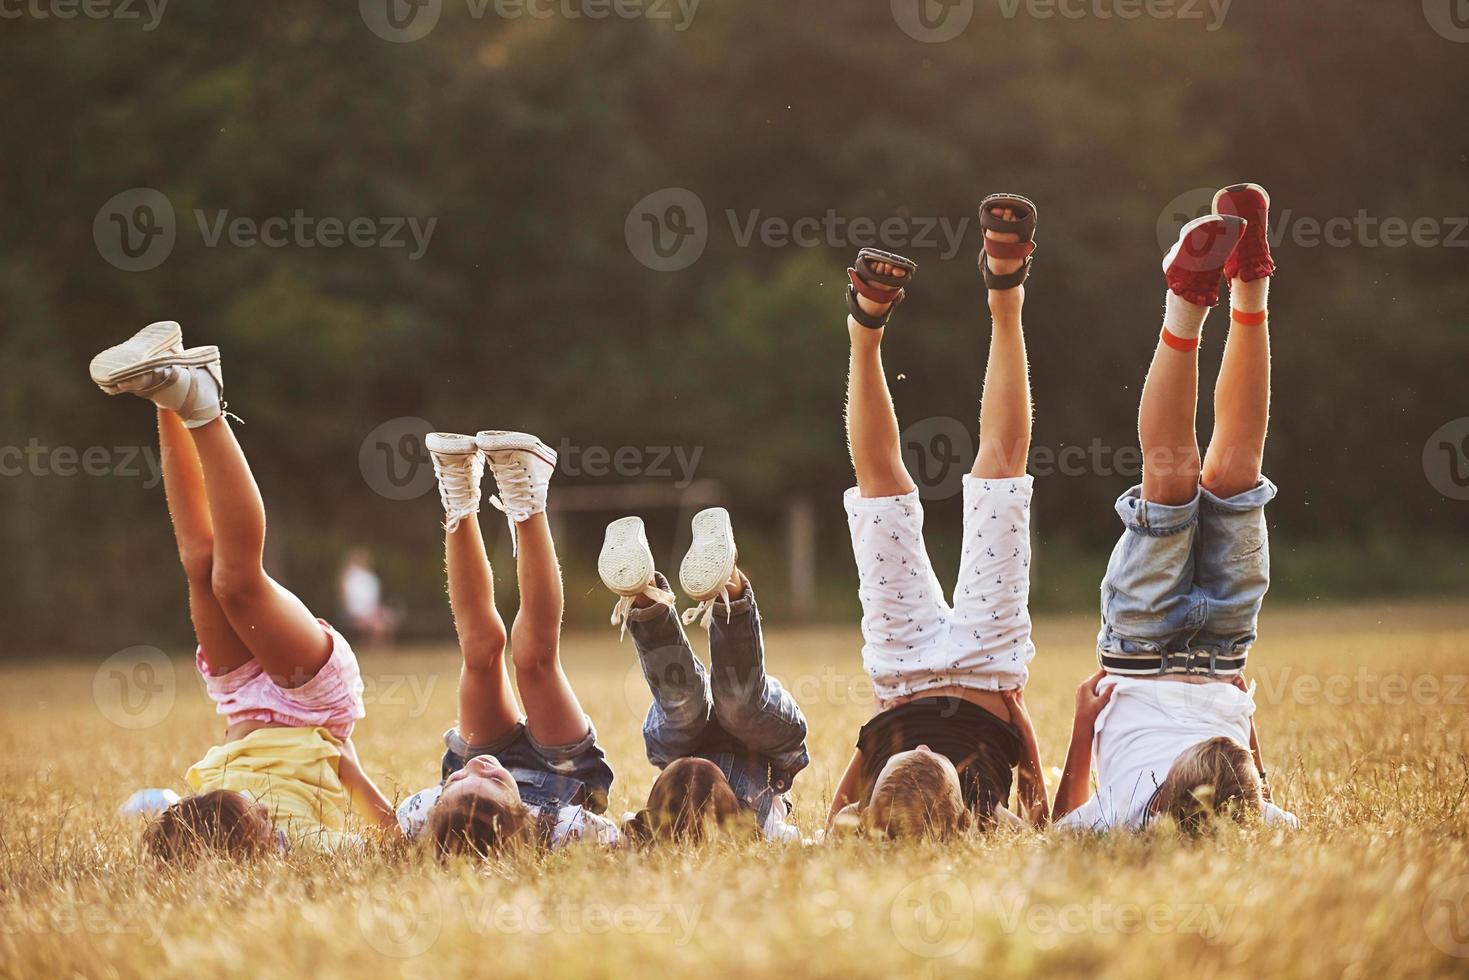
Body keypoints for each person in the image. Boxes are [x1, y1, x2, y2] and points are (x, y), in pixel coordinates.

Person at [88, 322, 399, 858]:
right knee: (236, 584)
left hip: (238, 701)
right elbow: (359, 801)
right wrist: (401, 833)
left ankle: (166, 388)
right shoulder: (296, 841)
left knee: (198, 564)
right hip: (311, 704)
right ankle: (204, 405)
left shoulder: (203, 810)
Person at [1051, 184, 1299, 833]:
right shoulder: (1124, 820)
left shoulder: (1265, 825)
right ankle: (1185, 306)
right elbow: (1061, 825)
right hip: (1138, 653)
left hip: (1223, 658)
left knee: (1234, 470)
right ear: (1158, 801)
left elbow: (1257, 789)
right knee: (1168, 480)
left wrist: (1244, 728)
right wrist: (1083, 731)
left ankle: (1249, 283)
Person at [825, 195, 1051, 840]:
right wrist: (1018, 715)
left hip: (921, 673)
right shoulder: (985, 824)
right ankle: (1004, 294)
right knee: (999, 476)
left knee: (883, 495)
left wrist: (1016, 713)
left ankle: (865, 329)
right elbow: (1038, 818)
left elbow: (836, 811)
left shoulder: (873, 826)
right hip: (977, 669)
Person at [396, 430, 619, 856]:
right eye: (495, 779)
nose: (481, 768)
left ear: (441, 795)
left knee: (480, 652)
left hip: (480, 775)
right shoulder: (559, 828)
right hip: (565, 770)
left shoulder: (420, 816)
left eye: (458, 778)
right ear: (522, 817)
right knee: (534, 660)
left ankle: (458, 493)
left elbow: (382, 833)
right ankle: (527, 496)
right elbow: (624, 838)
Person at [598, 508, 809, 844]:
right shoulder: (760, 833)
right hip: (754, 743)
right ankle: (702, 587)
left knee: (704, 703)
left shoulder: (651, 833)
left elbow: (607, 835)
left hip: (687, 745)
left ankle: (667, 590)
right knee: (726, 705)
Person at [338, 547, 399, 648]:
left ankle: (378, 646)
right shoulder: (348, 578)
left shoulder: (368, 578)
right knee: (376, 625)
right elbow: (347, 601)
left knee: (387, 618)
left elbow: (373, 600)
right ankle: (373, 646)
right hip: (356, 612)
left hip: (368, 610)